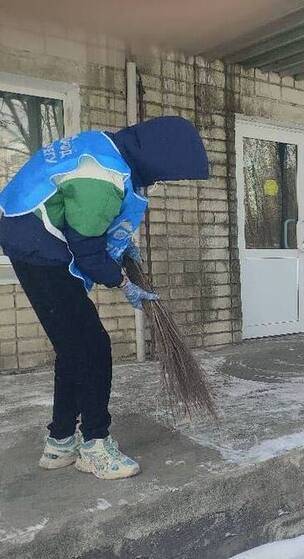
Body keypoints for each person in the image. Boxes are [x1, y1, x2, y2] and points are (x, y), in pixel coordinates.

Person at [0, 116, 209, 479]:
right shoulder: (104, 177)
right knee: (94, 346)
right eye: (162, 176)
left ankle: (61, 440)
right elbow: (88, 250)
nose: (158, 182)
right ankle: (95, 445)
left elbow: (87, 218)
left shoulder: (105, 149)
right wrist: (123, 283)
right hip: (37, 248)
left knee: (73, 346)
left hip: (29, 237)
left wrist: (125, 246)